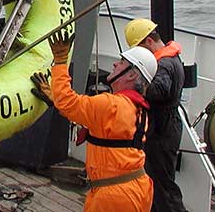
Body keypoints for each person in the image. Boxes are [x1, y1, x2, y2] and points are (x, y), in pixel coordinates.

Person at [32, 30, 158, 212]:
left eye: (122, 63)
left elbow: (68, 103)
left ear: (131, 75)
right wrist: (56, 101)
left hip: (114, 195)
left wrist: (60, 61)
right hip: (139, 188)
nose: (115, 64)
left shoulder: (111, 104)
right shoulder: (138, 110)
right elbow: (103, 129)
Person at [124, 18, 187, 212]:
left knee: (162, 185)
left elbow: (159, 90)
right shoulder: (171, 58)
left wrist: (133, 84)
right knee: (154, 179)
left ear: (149, 41)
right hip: (164, 125)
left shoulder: (164, 65)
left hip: (162, 129)